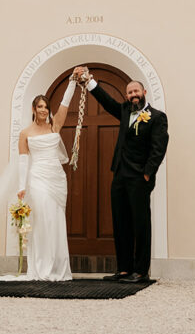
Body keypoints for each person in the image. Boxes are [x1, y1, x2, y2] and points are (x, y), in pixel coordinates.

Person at [72, 66, 168, 282]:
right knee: (120, 221)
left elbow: (159, 148)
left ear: (144, 93)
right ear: (126, 96)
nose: (133, 95)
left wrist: (147, 175)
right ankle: (124, 269)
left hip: (140, 178)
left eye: (136, 91)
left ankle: (141, 271)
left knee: (140, 223)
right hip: (120, 176)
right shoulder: (125, 110)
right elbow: (107, 102)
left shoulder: (157, 117)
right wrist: (89, 83)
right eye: (130, 93)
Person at [0, 78, 77, 281]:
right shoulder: (25, 133)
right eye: (40, 106)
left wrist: (72, 82)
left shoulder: (54, 126)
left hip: (57, 178)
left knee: (56, 220)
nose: (43, 110)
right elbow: (23, 161)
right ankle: (41, 266)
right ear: (33, 108)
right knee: (42, 219)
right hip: (38, 178)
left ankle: (57, 267)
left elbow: (65, 104)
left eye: (46, 107)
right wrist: (21, 187)